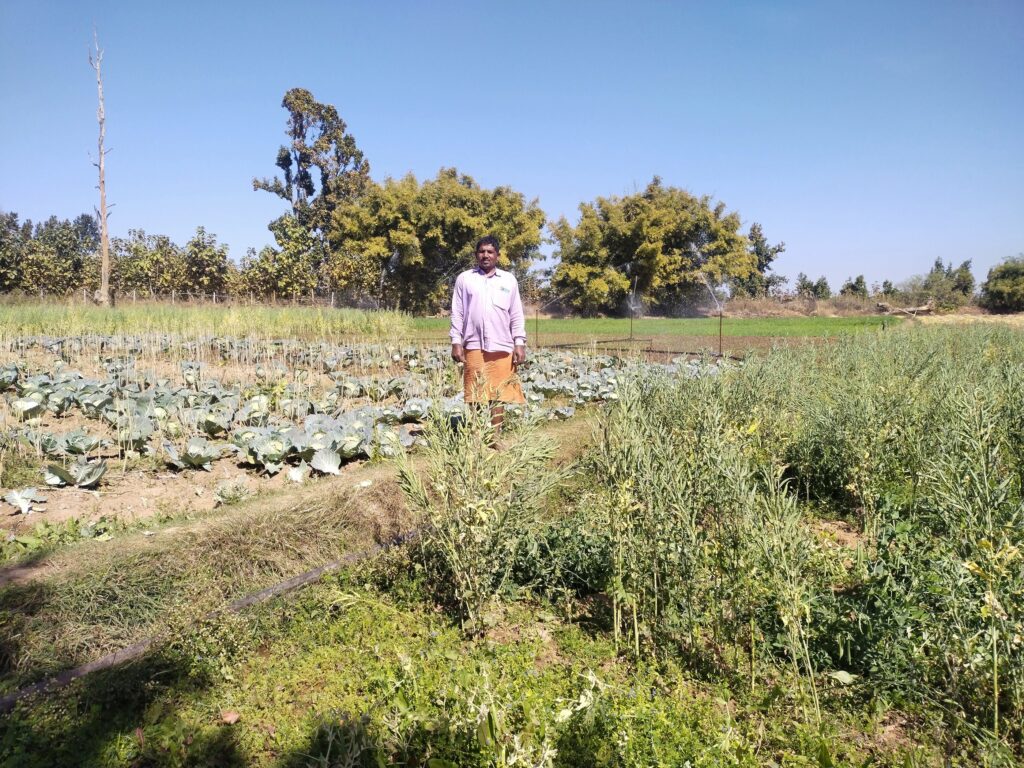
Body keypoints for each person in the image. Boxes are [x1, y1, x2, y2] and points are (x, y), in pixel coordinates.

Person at [450, 235, 526, 439]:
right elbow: (457, 312)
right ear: (476, 255)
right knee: (474, 393)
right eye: (482, 251)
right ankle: (475, 436)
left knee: (499, 394)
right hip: (473, 344)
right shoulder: (465, 279)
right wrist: (456, 341)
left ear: (497, 256)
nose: (485, 255)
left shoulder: (509, 280)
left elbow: (516, 314)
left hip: (503, 345)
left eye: (490, 252)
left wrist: (519, 343)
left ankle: (495, 437)